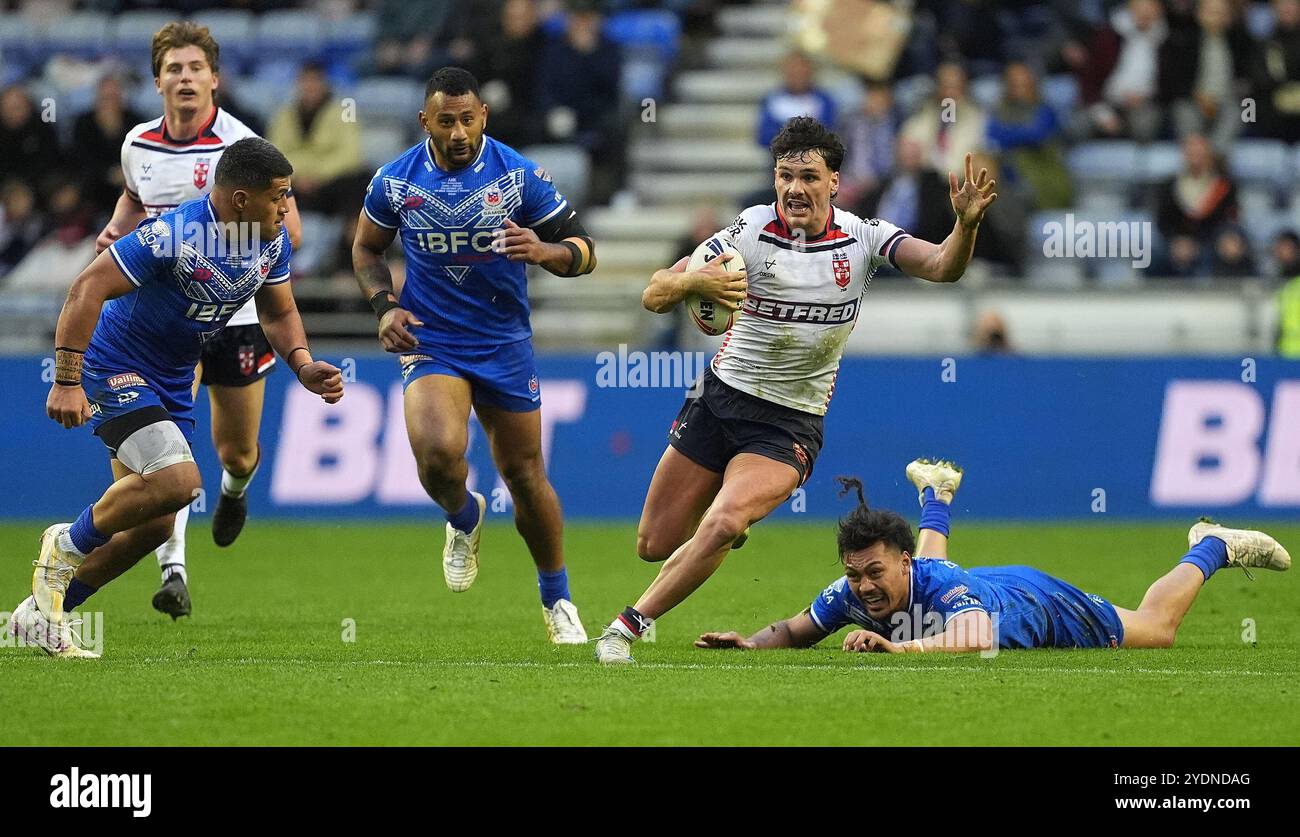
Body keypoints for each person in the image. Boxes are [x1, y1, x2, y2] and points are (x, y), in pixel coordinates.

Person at [593, 116, 997, 664]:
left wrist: (965, 226)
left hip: (789, 423)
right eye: (784, 175)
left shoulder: (863, 238)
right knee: (655, 544)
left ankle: (627, 626)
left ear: (834, 181)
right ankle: (725, 526)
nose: (794, 188)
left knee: (723, 522)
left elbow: (942, 267)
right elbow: (655, 292)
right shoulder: (749, 231)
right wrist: (695, 281)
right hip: (719, 399)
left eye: (808, 176)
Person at [9, 138, 343, 658]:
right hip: (114, 365)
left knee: (156, 523)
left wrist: (302, 364)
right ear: (239, 199)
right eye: (278, 196)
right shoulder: (173, 235)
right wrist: (67, 380)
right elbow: (85, 289)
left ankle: (42, 613)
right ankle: (64, 546)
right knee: (181, 482)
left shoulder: (272, 242)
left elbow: (278, 312)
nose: (286, 207)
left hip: (171, 379)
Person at [351, 67, 597, 644]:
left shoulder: (518, 176)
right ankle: (463, 516)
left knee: (525, 475)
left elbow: (585, 251)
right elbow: (365, 247)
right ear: (424, 121)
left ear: (483, 115)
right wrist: (384, 305)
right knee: (438, 454)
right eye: (446, 121)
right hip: (432, 339)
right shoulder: (395, 180)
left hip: (504, 342)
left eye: (467, 119)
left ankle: (556, 597)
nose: (458, 132)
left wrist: (544, 250)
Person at [92, 22, 305, 620]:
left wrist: (203, 249)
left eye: (195, 68)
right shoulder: (138, 145)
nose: (185, 78)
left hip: (233, 313)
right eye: (173, 69)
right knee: (167, 453)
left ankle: (235, 491)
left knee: (235, 451)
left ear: (215, 78)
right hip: (165, 319)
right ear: (158, 79)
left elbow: (288, 232)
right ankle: (174, 569)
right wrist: (118, 231)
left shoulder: (240, 148)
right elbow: (135, 201)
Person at [695, 458, 1291, 653]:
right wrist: (751, 642)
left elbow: (976, 635)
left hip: (1034, 602)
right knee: (925, 573)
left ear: (896, 561)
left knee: (1156, 630)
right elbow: (798, 631)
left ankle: (1212, 544)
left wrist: (894, 646)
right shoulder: (854, 590)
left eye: (872, 571)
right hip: (966, 582)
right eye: (854, 574)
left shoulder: (949, 594)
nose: (863, 586)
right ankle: (936, 493)